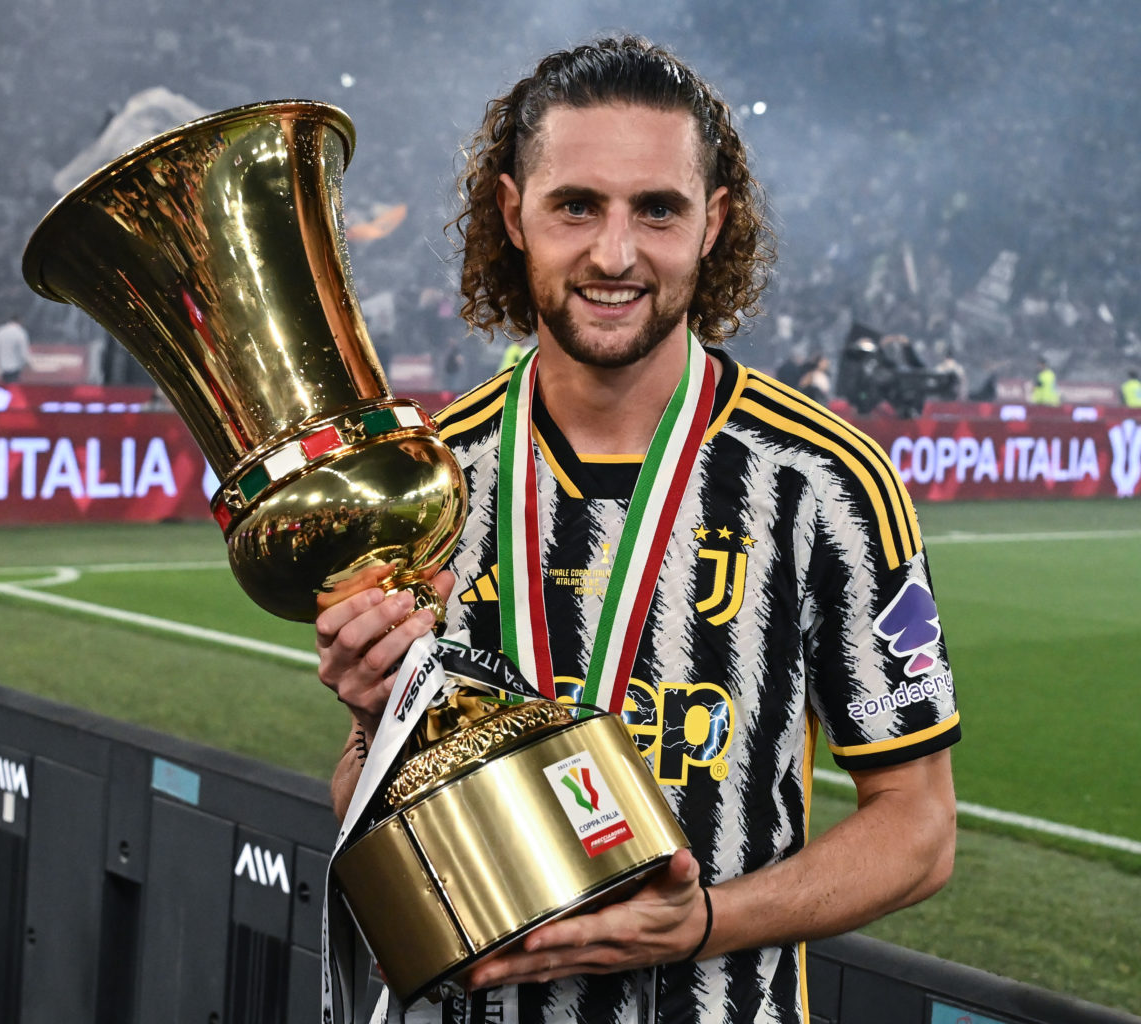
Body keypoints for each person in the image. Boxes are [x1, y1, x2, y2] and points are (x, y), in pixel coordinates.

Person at [316, 36, 958, 1023]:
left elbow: (918, 829)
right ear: (510, 213)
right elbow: (369, 805)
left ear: (714, 225)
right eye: (576, 204)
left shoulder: (823, 483)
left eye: (657, 208)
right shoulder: (426, 482)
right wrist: (370, 723)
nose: (614, 254)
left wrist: (709, 920)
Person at [0, 312, 32, 384]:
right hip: (14, 368)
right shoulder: (20, 332)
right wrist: (28, 364)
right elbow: (24, 353)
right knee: (13, 389)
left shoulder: (0, 331)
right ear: (20, 321)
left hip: (1, 368)